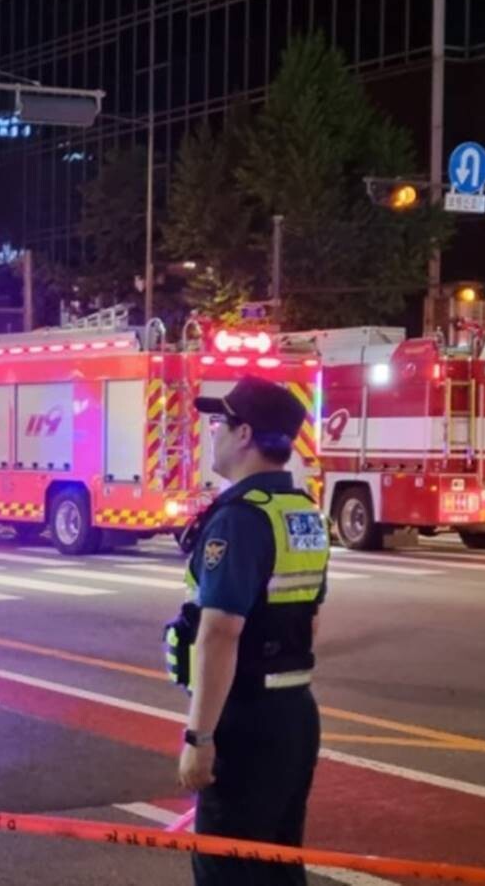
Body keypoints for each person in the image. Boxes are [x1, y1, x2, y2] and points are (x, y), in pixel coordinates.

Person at [164, 376, 329, 886]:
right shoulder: (301, 512)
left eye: (220, 422)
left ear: (244, 435)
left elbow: (219, 633)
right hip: (294, 715)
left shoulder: (240, 519)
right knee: (277, 868)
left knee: (228, 869)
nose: (212, 432)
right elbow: (311, 619)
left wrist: (200, 736)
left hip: (245, 720)